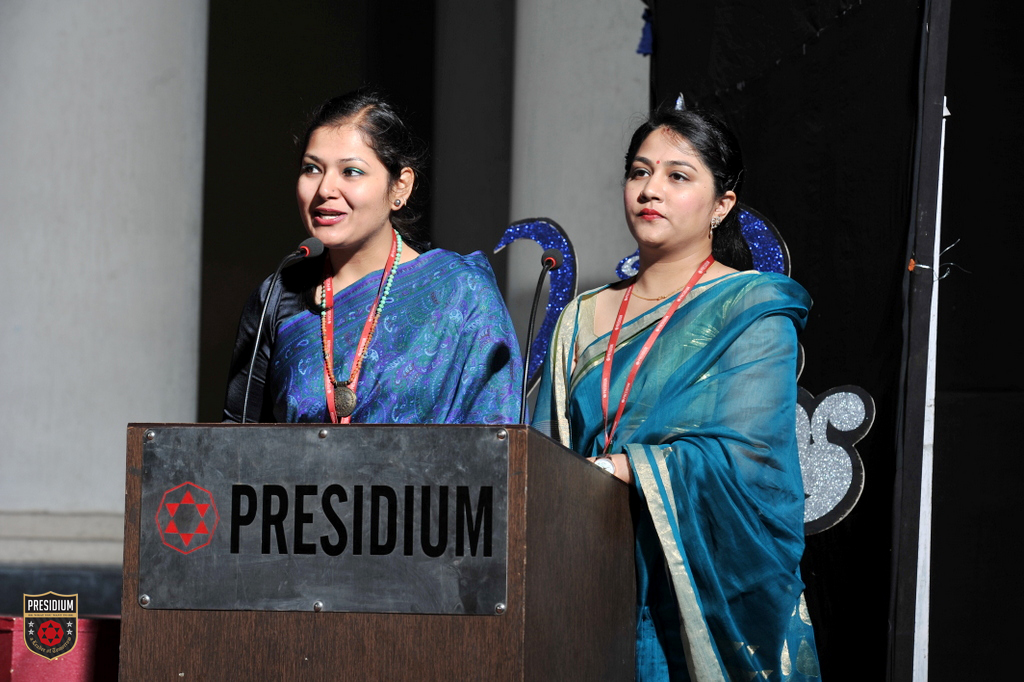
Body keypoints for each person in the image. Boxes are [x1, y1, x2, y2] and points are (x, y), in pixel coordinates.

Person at [533, 107, 820, 680]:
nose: (650, 190)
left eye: (678, 176)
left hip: (707, 594)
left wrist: (623, 468)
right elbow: (547, 459)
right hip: (593, 586)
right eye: (639, 172)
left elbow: (750, 463)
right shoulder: (580, 317)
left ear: (722, 204)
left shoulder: (751, 308)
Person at [224, 90, 522, 424]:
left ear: (400, 186)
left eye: (351, 171)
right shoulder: (277, 299)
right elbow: (236, 436)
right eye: (312, 168)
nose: (325, 189)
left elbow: (499, 433)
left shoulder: (461, 293)